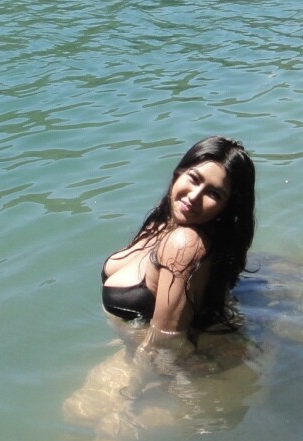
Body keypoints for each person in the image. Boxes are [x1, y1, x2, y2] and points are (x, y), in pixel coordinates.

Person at [100, 136, 256, 349]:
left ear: (226, 208)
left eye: (213, 193)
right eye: (194, 178)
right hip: (134, 345)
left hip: (156, 358)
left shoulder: (184, 244)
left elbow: (166, 343)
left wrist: (132, 370)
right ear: (179, 172)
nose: (194, 196)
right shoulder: (163, 221)